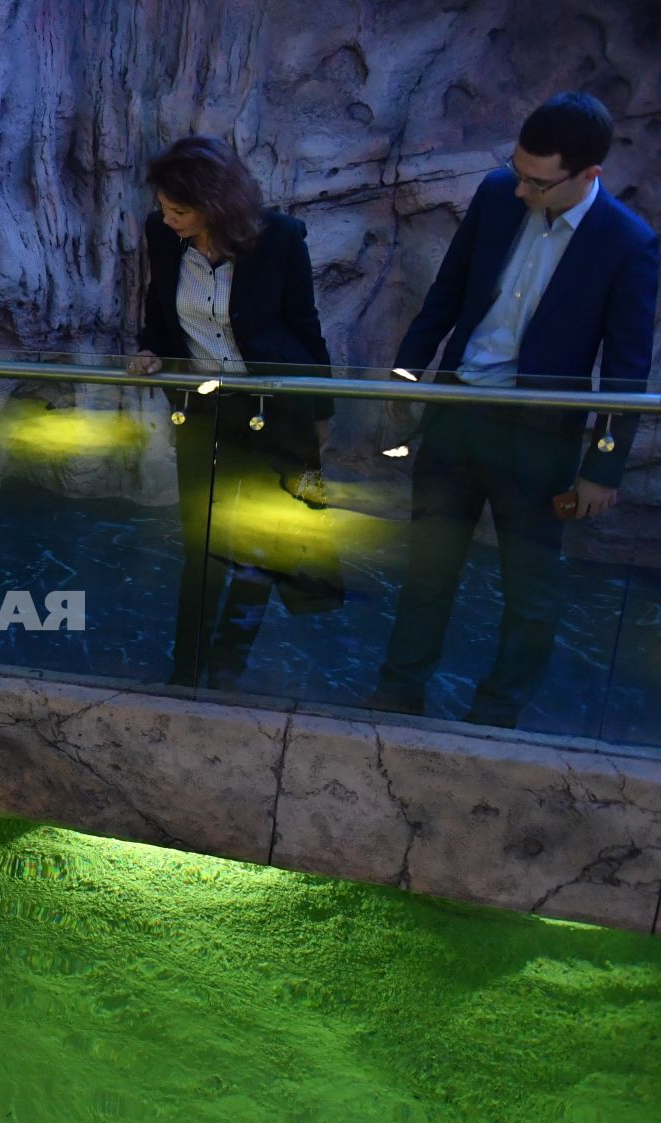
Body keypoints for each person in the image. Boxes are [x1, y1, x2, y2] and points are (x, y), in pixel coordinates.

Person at [371, 92, 658, 728]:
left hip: (537, 438)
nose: (521, 189)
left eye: (538, 181)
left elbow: (626, 370)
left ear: (589, 175)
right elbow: (445, 296)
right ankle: (395, 698)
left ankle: (495, 716)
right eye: (518, 171)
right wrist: (402, 384)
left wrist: (602, 467)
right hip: (457, 415)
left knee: (530, 591)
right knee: (428, 570)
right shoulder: (497, 194)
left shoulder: (627, 244)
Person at [131, 135, 342, 688]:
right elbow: (160, 304)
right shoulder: (162, 234)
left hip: (275, 407)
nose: (166, 218)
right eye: (163, 207)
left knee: (258, 544)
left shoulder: (280, 240)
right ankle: (187, 668)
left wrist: (322, 408)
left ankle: (228, 664)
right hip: (203, 409)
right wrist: (150, 348)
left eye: (179, 209)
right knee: (201, 543)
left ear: (217, 207)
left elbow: (305, 325)